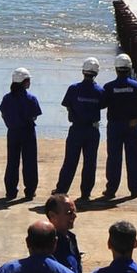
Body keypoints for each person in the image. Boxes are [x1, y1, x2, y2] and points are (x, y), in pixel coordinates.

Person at [99, 51, 137, 200]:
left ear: (116, 69)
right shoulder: (136, 86)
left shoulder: (109, 87)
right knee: (134, 158)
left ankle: (111, 190)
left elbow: (102, 104)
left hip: (114, 126)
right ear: (129, 68)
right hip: (132, 125)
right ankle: (134, 189)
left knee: (114, 158)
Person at [58, 58, 106, 200]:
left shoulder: (74, 88)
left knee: (70, 161)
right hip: (92, 131)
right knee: (90, 163)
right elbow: (102, 105)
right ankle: (85, 193)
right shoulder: (100, 91)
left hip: (76, 129)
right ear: (96, 72)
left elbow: (67, 105)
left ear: (83, 71)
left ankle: (61, 190)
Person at [0, 68, 40, 201]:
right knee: (30, 163)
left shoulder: (7, 98)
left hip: (13, 133)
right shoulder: (31, 98)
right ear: (24, 82)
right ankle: (30, 191)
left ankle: (10, 191)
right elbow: (34, 116)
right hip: (28, 133)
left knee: (12, 162)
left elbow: (3, 114)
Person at [45, 190, 83, 273]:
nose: (74, 216)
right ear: (52, 215)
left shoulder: (71, 238)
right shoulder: (47, 244)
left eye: (75, 211)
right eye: (69, 212)